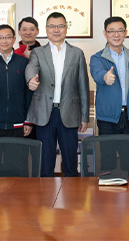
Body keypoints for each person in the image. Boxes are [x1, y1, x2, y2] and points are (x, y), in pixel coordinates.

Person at [24, 12, 90, 177]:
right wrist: (31, 80)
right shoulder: (38, 52)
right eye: (52, 26)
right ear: (46, 29)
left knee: (70, 162)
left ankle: (72, 193)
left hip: (69, 112)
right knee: (46, 163)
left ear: (66, 28)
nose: (56, 30)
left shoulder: (77, 53)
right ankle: (46, 194)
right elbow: (31, 68)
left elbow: (83, 85)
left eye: (60, 26)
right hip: (44, 113)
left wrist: (84, 117)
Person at [89, 16, 129, 175]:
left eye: (120, 31)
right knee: (107, 162)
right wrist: (105, 77)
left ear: (125, 33)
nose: (116, 35)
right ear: (105, 33)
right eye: (111, 31)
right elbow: (97, 73)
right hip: (107, 118)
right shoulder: (97, 57)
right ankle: (108, 191)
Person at [14, 17, 40, 139]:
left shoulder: (46, 53)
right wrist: (24, 59)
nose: (28, 32)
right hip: (19, 111)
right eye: (24, 29)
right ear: (19, 32)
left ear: (37, 31)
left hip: (42, 111)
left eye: (31, 29)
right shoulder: (13, 55)